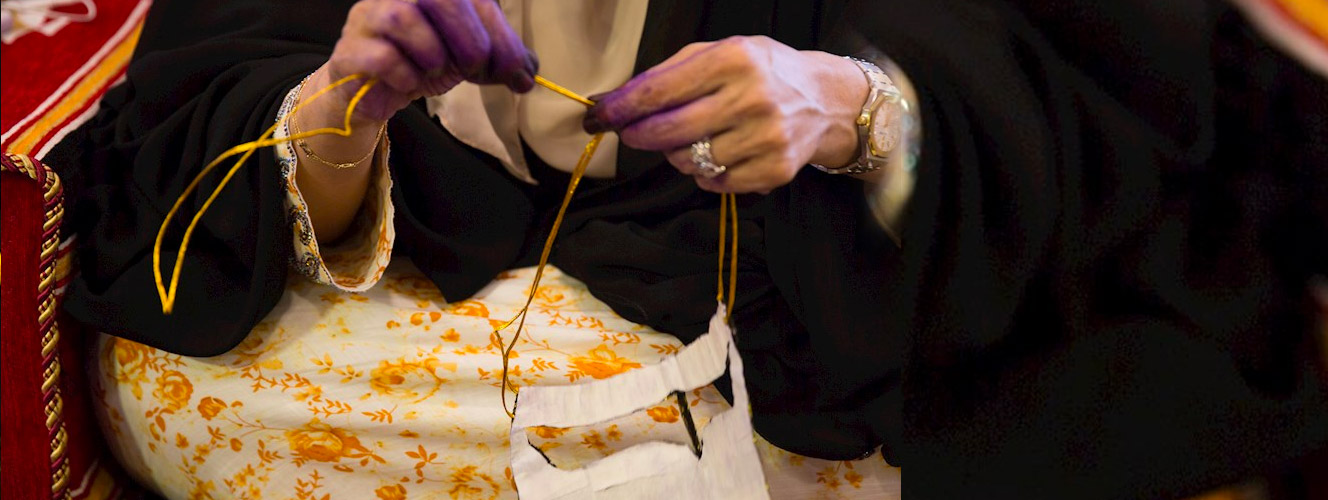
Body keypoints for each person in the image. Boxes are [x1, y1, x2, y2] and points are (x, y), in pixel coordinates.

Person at [43, 0, 1327, 498]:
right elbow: (217, 93)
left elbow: (1092, 97)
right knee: (173, 381)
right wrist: (344, 108)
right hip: (437, 256)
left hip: (828, 287)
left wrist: (855, 109)